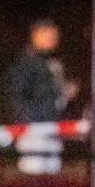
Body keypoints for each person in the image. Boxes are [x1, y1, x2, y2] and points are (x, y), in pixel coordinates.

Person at [5, 18, 78, 173]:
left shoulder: (51, 62)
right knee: (34, 175)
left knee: (51, 175)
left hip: (51, 127)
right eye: (50, 36)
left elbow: (48, 93)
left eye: (55, 37)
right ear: (36, 35)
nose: (54, 40)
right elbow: (16, 96)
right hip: (34, 130)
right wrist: (28, 125)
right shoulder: (25, 63)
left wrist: (64, 92)